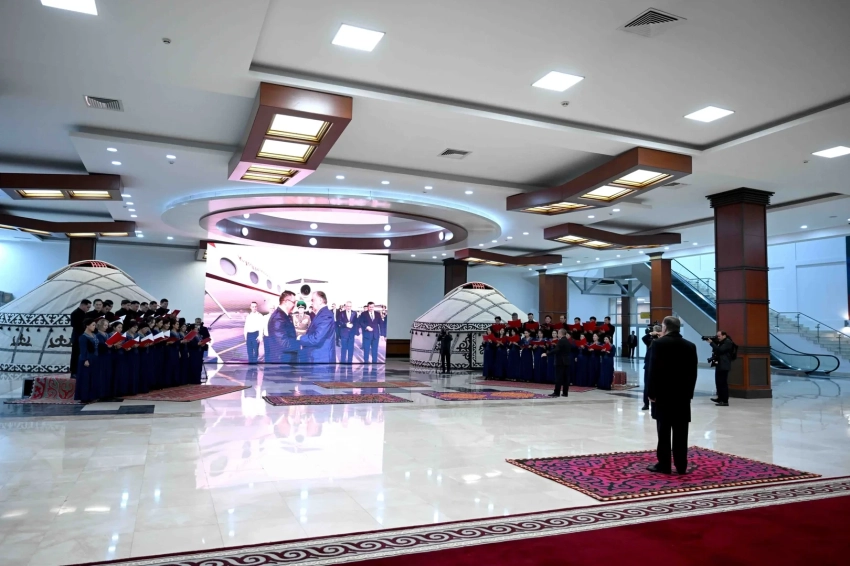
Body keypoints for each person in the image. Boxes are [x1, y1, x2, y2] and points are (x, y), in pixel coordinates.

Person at [647, 316, 698, 475]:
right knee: (681, 432)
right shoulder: (690, 346)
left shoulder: (658, 344)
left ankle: (664, 464)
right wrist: (689, 394)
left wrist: (651, 393)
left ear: (665, 327)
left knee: (663, 431)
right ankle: (681, 465)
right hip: (682, 396)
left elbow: (653, 370)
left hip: (663, 395)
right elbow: (693, 373)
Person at [298, 291, 336, 363]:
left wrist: (300, 338)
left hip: (322, 360)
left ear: (320, 300)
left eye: (313, 300)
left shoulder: (325, 315)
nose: (311, 303)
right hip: (318, 357)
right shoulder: (321, 314)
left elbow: (316, 338)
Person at [267, 291, 299, 363]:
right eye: (294, 302)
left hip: (288, 358)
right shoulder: (278, 318)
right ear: (286, 302)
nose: (295, 305)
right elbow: (283, 343)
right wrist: (300, 344)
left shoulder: (285, 315)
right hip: (282, 361)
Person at [705, 331, 734, 407]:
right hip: (720, 364)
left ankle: (724, 401)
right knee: (718, 382)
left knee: (723, 383)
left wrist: (711, 343)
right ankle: (720, 398)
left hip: (724, 365)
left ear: (724, 336)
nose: (717, 338)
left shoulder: (728, 342)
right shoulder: (721, 342)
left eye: (719, 336)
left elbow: (720, 350)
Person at [74, 318, 99, 403]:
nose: (94, 327)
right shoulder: (83, 337)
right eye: (93, 325)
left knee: (93, 378)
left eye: (95, 325)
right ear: (87, 325)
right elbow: (83, 349)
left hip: (94, 358)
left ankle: (92, 396)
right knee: (85, 378)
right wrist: (85, 360)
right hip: (87, 358)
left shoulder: (94, 335)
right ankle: (84, 397)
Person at [545, 328, 572, 397]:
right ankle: (565, 393)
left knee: (558, 377)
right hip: (567, 361)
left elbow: (556, 350)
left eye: (558, 333)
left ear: (560, 333)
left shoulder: (561, 341)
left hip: (560, 361)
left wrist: (547, 353)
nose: (557, 334)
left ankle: (556, 392)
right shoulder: (568, 341)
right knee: (566, 378)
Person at [69, 299, 92, 377]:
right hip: (77, 337)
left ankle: (81, 371)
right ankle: (74, 372)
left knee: (83, 354)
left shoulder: (85, 314)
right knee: (76, 354)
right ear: (82, 305)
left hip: (84, 337)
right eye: (87, 307)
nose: (88, 309)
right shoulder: (75, 313)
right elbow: (75, 325)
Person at [641, 325, 661, 410]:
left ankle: (655, 401)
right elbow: (644, 338)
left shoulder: (662, 341)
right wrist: (651, 334)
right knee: (647, 385)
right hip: (648, 365)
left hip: (657, 365)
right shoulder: (650, 341)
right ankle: (646, 403)